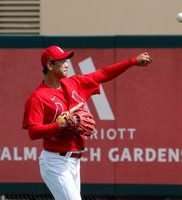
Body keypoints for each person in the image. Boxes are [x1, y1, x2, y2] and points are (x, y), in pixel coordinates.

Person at [22, 45, 153, 200]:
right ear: (49, 65)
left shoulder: (75, 83)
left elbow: (103, 74)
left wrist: (132, 61)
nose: (66, 64)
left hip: (74, 160)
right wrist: (61, 125)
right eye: (61, 61)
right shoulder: (38, 97)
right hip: (55, 162)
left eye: (66, 60)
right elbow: (33, 132)